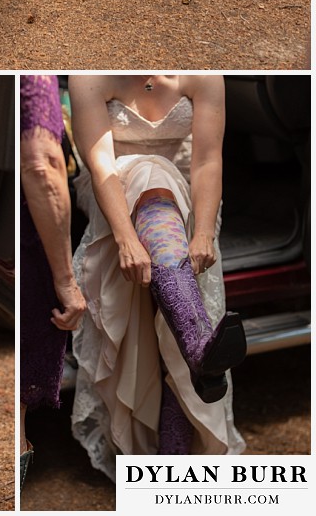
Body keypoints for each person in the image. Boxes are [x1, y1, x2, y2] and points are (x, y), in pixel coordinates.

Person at [68, 74, 246, 479]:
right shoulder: (89, 75)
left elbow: (206, 161)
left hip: (189, 194)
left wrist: (203, 231)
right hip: (112, 196)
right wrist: (126, 237)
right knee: (151, 174)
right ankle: (198, 346)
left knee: (163, 178)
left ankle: (172, 457)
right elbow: (101, 168)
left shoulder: (203, 73)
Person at [18, 74, 86, 488]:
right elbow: (42, 164)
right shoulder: (34, 78)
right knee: (14, 419)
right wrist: (65, 279)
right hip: (30, 239)